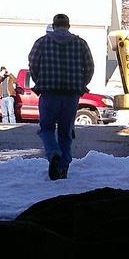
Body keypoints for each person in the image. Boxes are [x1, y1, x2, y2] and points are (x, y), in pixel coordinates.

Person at [28, 13, 94, 180]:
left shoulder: (42, 42)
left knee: (47, 129)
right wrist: (80, 84)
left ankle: (54, 154)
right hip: (71, 95)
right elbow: (90, 67)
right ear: (68, 26)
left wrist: (40, 81)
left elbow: (33, 64)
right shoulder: (80, 43)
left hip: (49, 93)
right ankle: (63, 167)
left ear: (53, 25)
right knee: (65, 132)